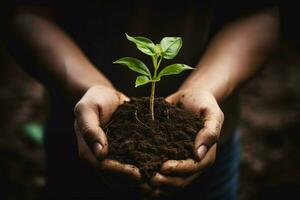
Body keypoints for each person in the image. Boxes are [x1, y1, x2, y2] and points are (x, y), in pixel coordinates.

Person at [1, 0, 279, 199]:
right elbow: (23, 12)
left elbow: (260, 12)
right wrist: (89, 86)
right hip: (79, 136)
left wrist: (205, 87)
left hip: (208, 143)